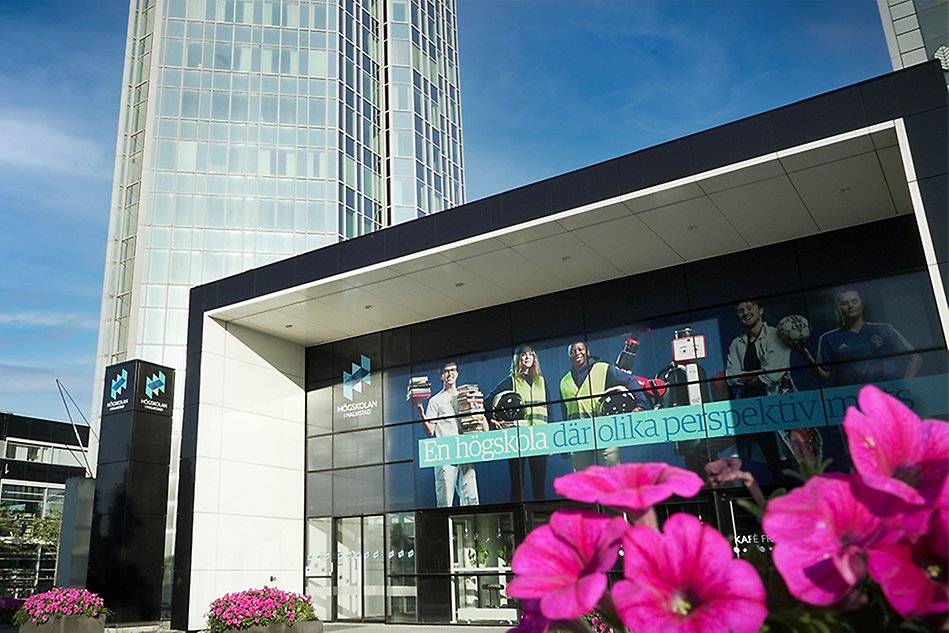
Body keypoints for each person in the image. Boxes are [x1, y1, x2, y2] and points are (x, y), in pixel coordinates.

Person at [724, 300, 820, 478]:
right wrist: (760, 373)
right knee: (774, 466)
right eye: (741, 310)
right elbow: (731, 377)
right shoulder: (737, 343)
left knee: (799, 462)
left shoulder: (777, 335)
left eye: (749, 308)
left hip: (783, 407)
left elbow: (773, 375)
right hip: (756, 413)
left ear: (760, 309)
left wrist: (744, 377)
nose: (745, 313)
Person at [801, 289, 921, 386]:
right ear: (838, 308)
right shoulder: (828, 339)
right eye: (844, 303)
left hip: (884, 396)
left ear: (862, 304)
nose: (850, 306)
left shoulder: (884, 330)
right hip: (850, 398)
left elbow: (915, 358)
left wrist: (906, 385)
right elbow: (824, 378)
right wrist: (807, 357)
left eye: (854, 301)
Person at [560, 340, 648, 471]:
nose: (577, 353)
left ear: (587, 352)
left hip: (605, 431)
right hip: (579, 436)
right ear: (569, 356)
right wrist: (565, 443)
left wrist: (640, 404)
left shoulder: (603, 368)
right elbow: (565, 413)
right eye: (573, 351)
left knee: (612, 474)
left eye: (580, 349)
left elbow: (630, 380)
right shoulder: (564, 382)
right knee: (582, 479)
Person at [485, 345, 551, 501]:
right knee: (517, 488)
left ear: (534, 358)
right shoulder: (512, 381)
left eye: (530, 355)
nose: (527, 357)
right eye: (523, 355)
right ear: (517, 359)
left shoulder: (541, 381)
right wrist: (491, 419)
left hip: (539, 438)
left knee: (539, 488)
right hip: (518, 439)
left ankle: (541, 522)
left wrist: (550, 437)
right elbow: (488, 402)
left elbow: (550, 409)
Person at [416, 361, 482, 507]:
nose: (450, 374)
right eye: (446, 371)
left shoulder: (467, 395)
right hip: (445, 452)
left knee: (471, 497)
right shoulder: (435, 401)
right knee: (445, 498)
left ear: (457, 373)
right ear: (441, 376)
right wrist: (420, 410)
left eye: (452, 370)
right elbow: (430, 431)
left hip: (465, 450)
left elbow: (478, 422)